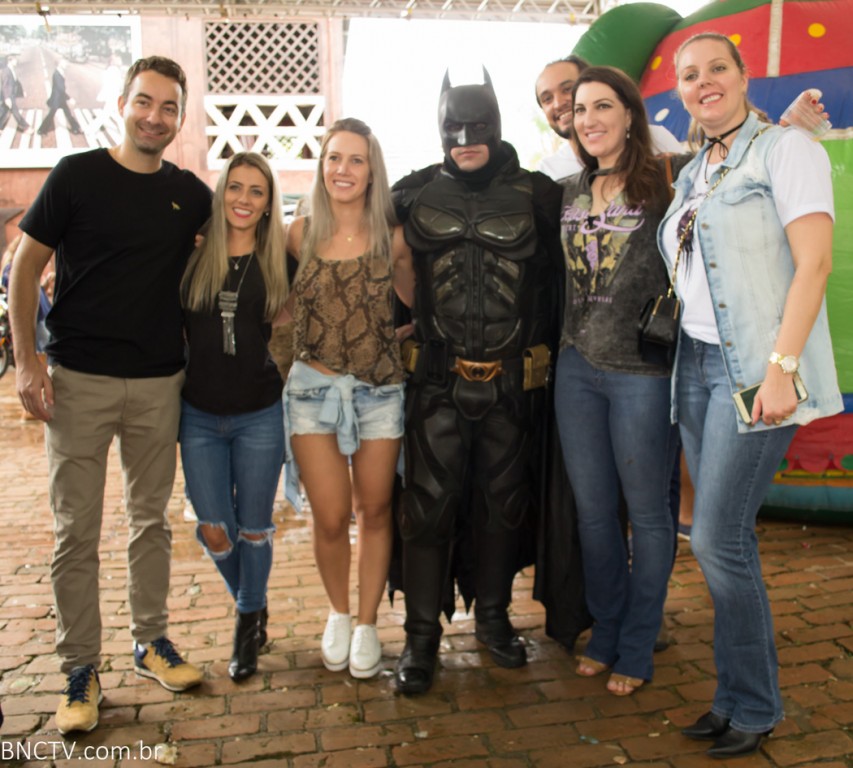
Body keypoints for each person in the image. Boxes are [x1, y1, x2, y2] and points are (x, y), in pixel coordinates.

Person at [9, 56, 212, 736]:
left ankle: (151, 642)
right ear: (122, 104)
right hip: (78, 383)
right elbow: (24, 267)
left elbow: (233, 249)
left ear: (179, 118)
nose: (155, 116)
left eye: (168, 107)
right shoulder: (75, 176)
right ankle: (80, 669)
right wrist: (27, 361)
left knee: (151, 522)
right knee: (76, 531)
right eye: (144, 102)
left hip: (159, 383)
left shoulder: (190, 194)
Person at [660, 33, 841, 758]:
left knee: (715, 538)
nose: (702, 82)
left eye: (716, 69)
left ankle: (756, 705)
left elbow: (815, 263)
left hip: (753, 372)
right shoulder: (696, 168)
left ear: (742, 77)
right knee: (724, 543)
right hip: (695, 364)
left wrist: (780, 368)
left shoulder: (786, 151)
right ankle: (731, 698)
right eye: (689, 74)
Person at [391, 71, 567, 695]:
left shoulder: (539, 195)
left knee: (503, 506)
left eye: (478, 127)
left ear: (497, 125)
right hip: (436, 383)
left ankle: (493, 616)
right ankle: (420, 637)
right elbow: (343, 226)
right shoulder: (412, 193)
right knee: (426, 509)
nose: (465, 139)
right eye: (454, 128)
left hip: (511, 386)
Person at [554, 65, 686, 697]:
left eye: (603, 106)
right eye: (580, 110)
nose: (589, 120)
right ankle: (606, 629)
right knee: (594, 514)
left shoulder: (668, 179)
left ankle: (637, 642)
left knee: (650, 514)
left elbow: (734, 157)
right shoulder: (566, 191)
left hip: (642, 372)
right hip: (575, 368)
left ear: (630, 114)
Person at [284, 117, 413, 680]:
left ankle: (366, 623)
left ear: (371, 171)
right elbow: (277, 301)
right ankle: (338, 612)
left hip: (380, 392)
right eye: (334, 158)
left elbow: (422, 303)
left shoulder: (394, 238)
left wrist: (408, 333)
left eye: (356, 160)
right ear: (322, 166)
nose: (343, 169)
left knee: (376, 510)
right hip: (312, 392)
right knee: (332, 516)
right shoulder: (298, 234)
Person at [179, 152, 288, 682]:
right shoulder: (191, 254)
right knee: (215, 529)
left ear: (268, 205)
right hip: (198, 414)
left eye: (256, 191)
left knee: (254, 529)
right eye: (235, 187)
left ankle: (246, 626)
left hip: (260, 414)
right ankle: (254, 602)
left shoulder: (281, 261)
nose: (244, 199)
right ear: (221, 193)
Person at [535, 55, 683, 181]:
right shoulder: (549, 172)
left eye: (567, 89)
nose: (558, 103)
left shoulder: (656, 138)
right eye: (547, 99)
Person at [38, 59, 82, 136]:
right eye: (64, 63)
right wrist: (69, 98)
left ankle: (76, 128)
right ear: (59, 64)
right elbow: (60, 88)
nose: (66, 65)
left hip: (60, 98)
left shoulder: (60, 72)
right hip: (57, 99)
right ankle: (41, 130)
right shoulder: (56, 74)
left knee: (68, 113)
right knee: (51, 115)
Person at [0, 54, 30, 133]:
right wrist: (7, 98)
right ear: (10, 61)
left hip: (10, 95)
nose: (17, 61)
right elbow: (5, 85)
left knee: (3, 111)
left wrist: (22, 92)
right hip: (8, 96)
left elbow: (16, 82)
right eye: (15, 60)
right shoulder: (6, 71)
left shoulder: (11, 70)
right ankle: (26, 127)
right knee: (15, 112)